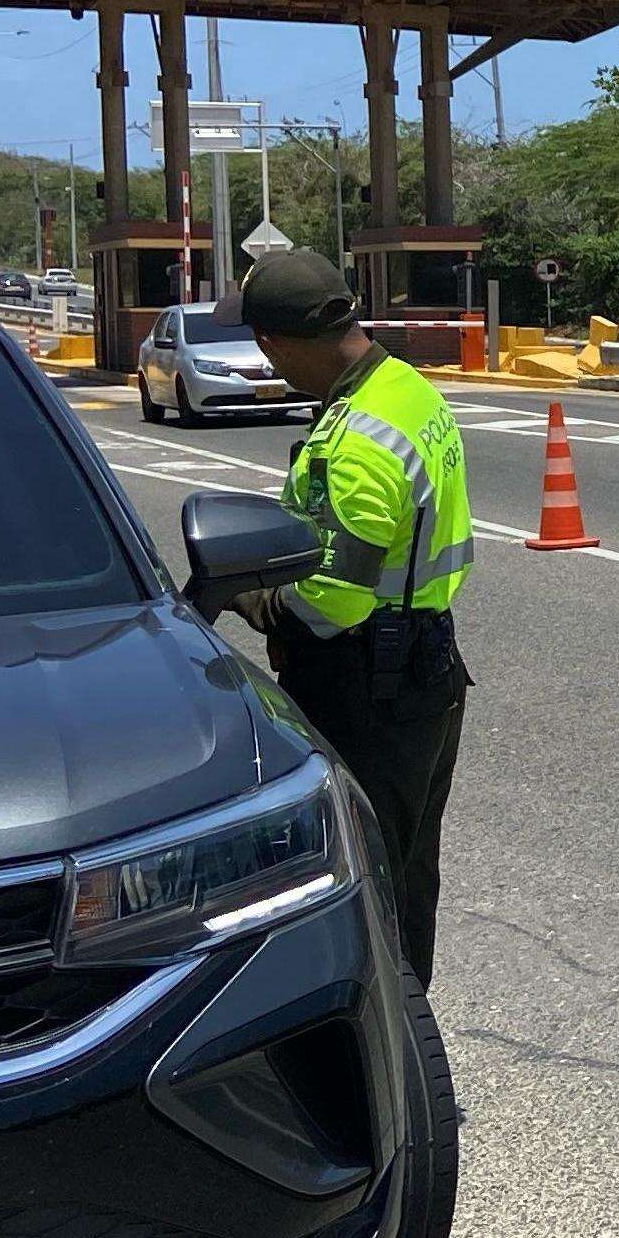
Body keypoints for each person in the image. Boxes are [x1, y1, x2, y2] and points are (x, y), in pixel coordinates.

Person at [215, 251, 477, 981]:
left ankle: (392, 1059)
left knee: (363, 882)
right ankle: (409, 1033)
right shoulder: (406, 389)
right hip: (423, 669)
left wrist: (251, 597)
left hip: (367, 681)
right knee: (404, 873)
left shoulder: (359, 438)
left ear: (274, 342)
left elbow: (333, 599)